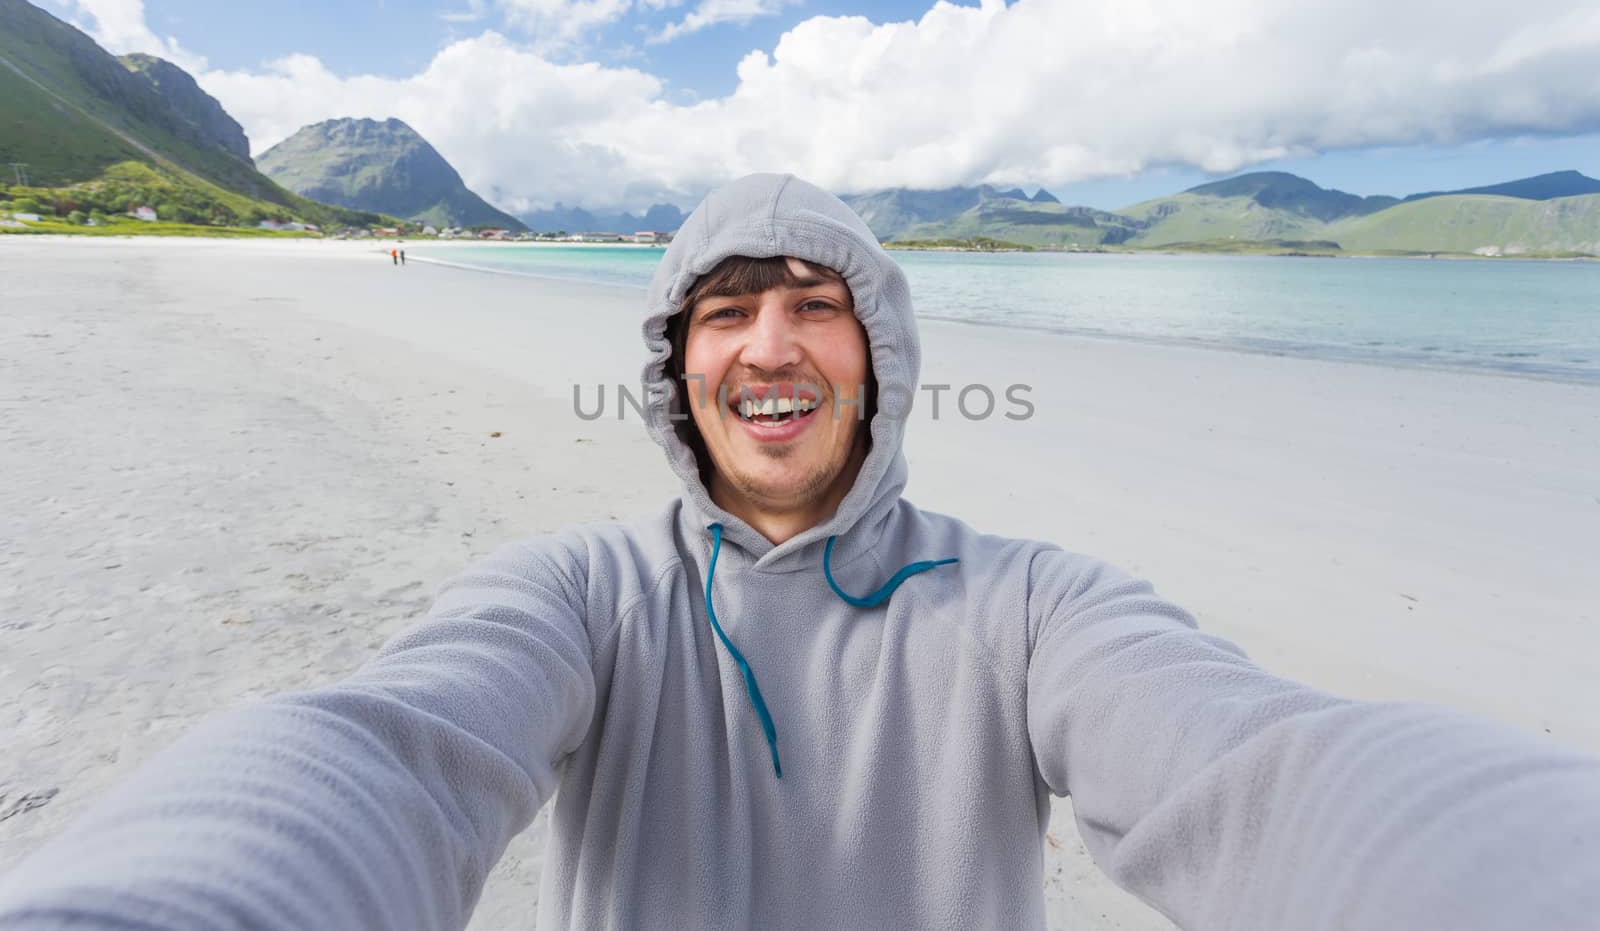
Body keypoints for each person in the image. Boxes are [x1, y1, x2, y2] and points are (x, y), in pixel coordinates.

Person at [1, 173, 1597, 930]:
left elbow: (1264, 768)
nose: (770, 342)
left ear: (880, 360)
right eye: (724, 306)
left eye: (816, 301)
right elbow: (380, 753)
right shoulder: (583, 595)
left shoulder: (1031, 606)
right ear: (676, 363)